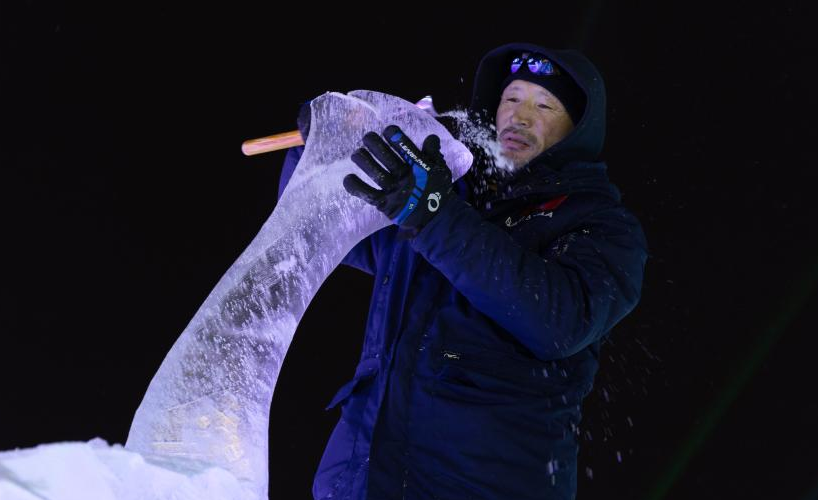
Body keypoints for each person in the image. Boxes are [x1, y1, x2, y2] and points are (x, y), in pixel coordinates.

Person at [276, 41, 648, 500]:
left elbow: (558, 323)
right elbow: (320, 232)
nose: (520, 116)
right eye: (511, 98)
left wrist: (434, 215)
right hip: (361, 481)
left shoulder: (598, 223)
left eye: (544, 105)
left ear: (578, 128)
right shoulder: (443, 188)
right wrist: (323, 149)